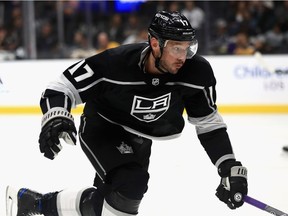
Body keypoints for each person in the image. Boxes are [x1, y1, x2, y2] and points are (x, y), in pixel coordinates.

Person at [6, 11, 248, 216]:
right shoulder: (115, 63)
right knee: (131, 183)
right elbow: (62, 86)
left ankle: (33, 203)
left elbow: (208, 122)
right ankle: (36, 203)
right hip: (103, 126)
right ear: (155, 44)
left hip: (140, 137)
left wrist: (228, 165)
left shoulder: (197, 73)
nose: (183, 57)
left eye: (187, 48)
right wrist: (57, 115)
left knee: (113, 199)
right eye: (176, 48)